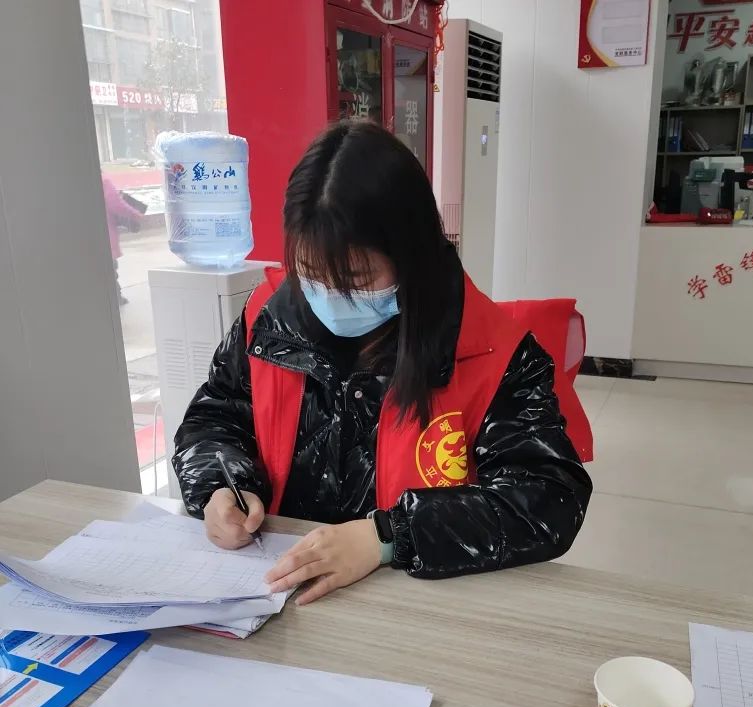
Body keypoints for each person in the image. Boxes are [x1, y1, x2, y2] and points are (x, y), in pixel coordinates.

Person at [173, 122, 592, 605]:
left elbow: (547, 499)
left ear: (411, 256)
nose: (331, 295)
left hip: (415, 602)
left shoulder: (493, 352)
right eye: (309, 272)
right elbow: (216, 417)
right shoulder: (267, 323)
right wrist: (222, 487)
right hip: (277, 589)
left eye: (357, 277)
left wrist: (389, 536)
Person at [101, 174, 142, 306]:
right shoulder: (103, 181)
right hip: (105, 234)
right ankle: (115, 297)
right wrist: (136, 214)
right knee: (109, 268)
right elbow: (116, 204)